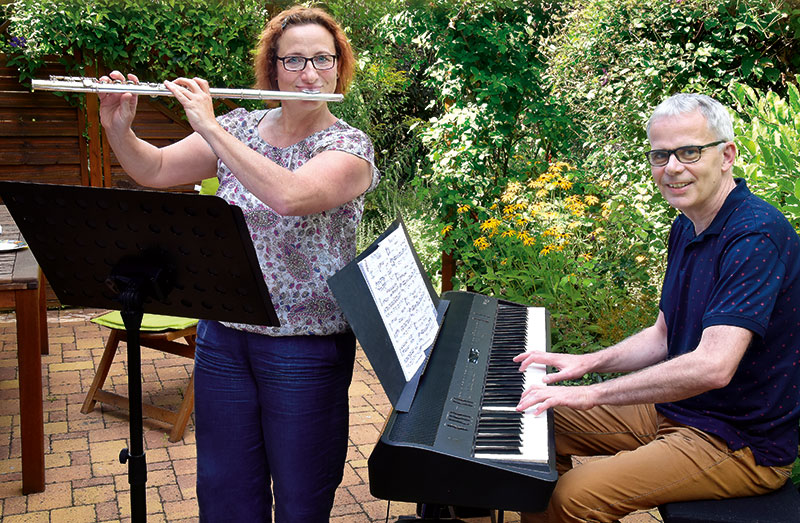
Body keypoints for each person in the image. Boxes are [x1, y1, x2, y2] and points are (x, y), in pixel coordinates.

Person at [98, 6, 380, 522]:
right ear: (273, 68)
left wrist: (209, 127)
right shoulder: (240, 127)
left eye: (322, 58)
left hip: (305, 347)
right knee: (225, 493)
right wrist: (120, 128)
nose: (309, 73)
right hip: (224, 337)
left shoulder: (349, 146)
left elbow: (291, 196)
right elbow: (154, 169)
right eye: (294, 61)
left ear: (340, 65)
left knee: (300, 500)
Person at [514, 93, 800, 522]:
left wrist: (594, 395)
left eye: (689, 151)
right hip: (682, 409)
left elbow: (712, 367)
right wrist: (585, 363)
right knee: (541, 422)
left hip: (739, 441)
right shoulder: (687, 224)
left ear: (727, 156)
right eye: (660, 155)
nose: (672, 168)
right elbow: (662, 336)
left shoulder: (755, 236)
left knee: (573, 496)